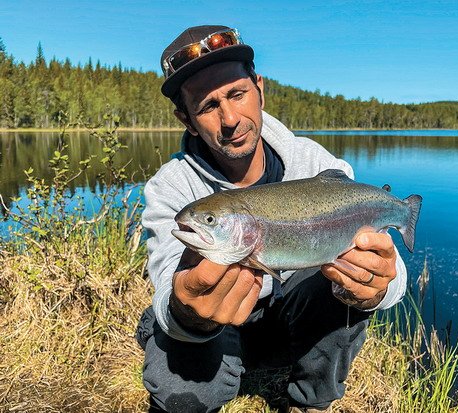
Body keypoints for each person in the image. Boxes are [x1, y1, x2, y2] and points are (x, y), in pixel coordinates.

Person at [136, 25, 407, 413]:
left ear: (259, 89)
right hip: (216, 334)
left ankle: (309, 402)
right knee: (176, 384)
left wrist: (377, 288)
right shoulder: (171, 189)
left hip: (288, 320)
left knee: (340, 290)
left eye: (237, 94)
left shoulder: (316, 165)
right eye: (208, 106)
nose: (229, 118)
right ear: (187, 119)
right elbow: (166, 291)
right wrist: (187, 313)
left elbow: (394, 275)